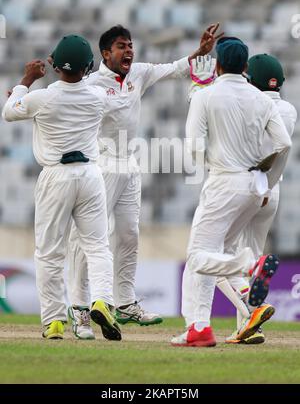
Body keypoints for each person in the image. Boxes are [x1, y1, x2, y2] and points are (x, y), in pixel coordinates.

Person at [67, 24, 223, 339]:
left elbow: (177, 69)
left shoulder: (138, 73)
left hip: (129, 166)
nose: (129, 51)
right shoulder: (91, 83)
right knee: (87, 241)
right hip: (101, 165)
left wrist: (200, 52)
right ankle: (79, 309)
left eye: (130, 45)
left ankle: (124, 304)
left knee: (128, 236)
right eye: (122, 46)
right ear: (106, 53)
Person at [171, 37, 292, 347]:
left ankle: (244, 272)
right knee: (215, 252)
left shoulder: (206, 96)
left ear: (219, 65)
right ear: (246, 67)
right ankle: (242, 308)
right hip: (254, 186)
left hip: (224, 182)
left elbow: (194, 147)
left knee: (198, 255)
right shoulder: (262, 99)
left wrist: (210, 158)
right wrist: (269, 178)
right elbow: (284, 144)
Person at [2, 35, 121, 341]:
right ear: (88, 67)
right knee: (97, 246)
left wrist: (25, 82)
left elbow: (10, 111)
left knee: (49, 252)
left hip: (56, 176)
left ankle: (54, 321)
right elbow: (99, 95)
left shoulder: (42, 97)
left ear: (54, 66)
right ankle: (101, 301)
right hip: (90, 175)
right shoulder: (97, 97)